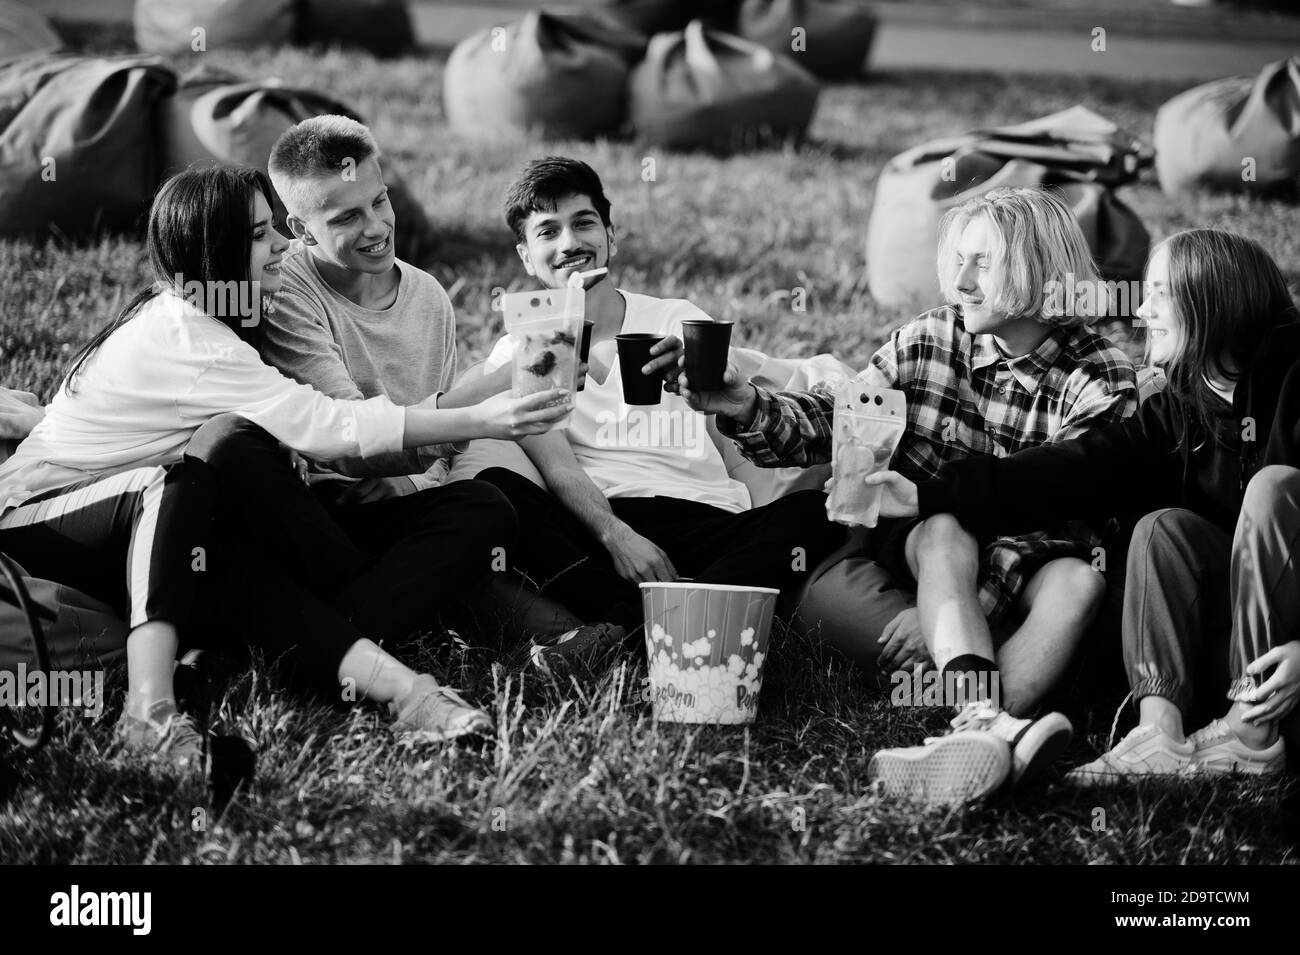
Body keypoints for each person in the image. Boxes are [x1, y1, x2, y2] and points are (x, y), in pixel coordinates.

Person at [0, 166, 570, 771]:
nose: (283, 247)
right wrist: (484, 418)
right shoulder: (186, 333)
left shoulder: (229, 320)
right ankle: (154, 714)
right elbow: (332, 428)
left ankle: (279, 651)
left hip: (177, 542)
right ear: (213, 253)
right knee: (197, 471)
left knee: (479, 507)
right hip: (45, 526)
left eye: (276, 228)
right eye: (260, 234)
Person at [681, 187, 1139, 805]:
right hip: (921, 544)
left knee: (1079, 581)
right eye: (957, 260)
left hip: (1038, 555)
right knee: (948, 526)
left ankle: (977, 743)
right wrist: (748, 405)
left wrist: (967, 597)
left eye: (985, 262)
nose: (962, 280)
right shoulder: (928, 339)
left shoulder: (1101, 377)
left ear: (1040, 271)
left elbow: (1076, 516)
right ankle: (985, 720)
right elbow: (839, 420)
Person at [865, 228, 1300, 785]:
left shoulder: (1297, 379)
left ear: (1211, 297)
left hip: (1284, 660)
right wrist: (928, 493)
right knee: (1162, 529)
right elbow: (1078, 467)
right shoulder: (1183, 403)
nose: (1140, 310)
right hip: (1232, 642)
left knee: (1272, 489)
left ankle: (1251, 736)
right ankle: (1157, 733)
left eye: (1160, 293)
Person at [258, 116, 627, 662]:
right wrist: (503, 378)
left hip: (401, 502)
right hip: (321, 506)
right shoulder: (284, 289)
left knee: (487, 502)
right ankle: (325, 642)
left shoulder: (427, 295)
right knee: (467, 521)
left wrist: (411, 488)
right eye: (347, 217)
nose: (377, 226)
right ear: (302, 228)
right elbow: (350, 439)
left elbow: (440, 447)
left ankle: (588, 632)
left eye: (380, 201)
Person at [471, 157, 847, 671]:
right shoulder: (522, 347)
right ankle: (687, 624)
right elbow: (557, 467)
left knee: (815, 511)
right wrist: (617, 536)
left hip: (705, 517)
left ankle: (628, 631)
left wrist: (697, 369)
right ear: (526, 256)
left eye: (583, 223)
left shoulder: (674, 316)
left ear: (611, 236)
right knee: (497, 492)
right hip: (601, 527)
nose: (569, 244)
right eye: (547, 232)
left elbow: (727, 377)